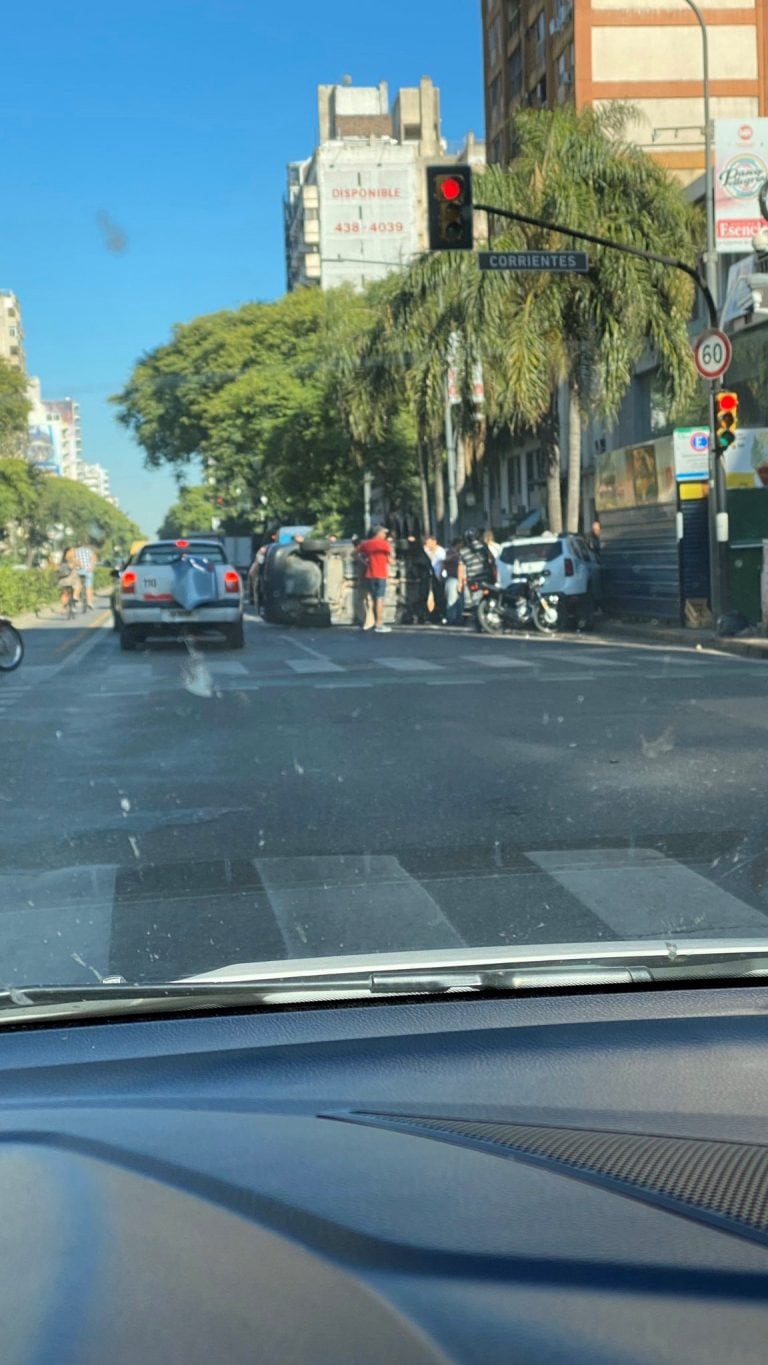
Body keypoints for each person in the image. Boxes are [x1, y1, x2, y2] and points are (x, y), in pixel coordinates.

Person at [355, 526, 392, 633]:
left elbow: (354, 554)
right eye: (384, 533)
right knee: (380, 598)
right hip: (381, 574)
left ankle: (373, 621)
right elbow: (390, 559)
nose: (385, 535)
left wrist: (364, 562)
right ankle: (379, 623)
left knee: (373, 598)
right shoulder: (384, 544)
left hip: (370, 574)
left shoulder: (366, 544)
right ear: (378, 533)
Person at [459, 528, 496, 593]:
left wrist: (460, 583)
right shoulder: (484, 547)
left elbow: (461, 568)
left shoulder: (463, 551)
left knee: (471, 601)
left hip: (472, 580)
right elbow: (492, 561)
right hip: (486, 579)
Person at [442, 538, 467, 626]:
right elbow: (445, 561)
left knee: (460, 600)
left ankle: (459, 618)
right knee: (452, 599)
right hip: (452, 578)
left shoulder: (462, 553)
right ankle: (451, 618)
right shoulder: (450, 552)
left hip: (460, 578)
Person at [422, 533, 446, 622]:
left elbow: (443, 564)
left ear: (434, 542)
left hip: (438, 575)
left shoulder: (440, 551)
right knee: (427, 595)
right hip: (428, 576)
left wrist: (440, 575)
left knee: (439, 596)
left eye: (428, 542)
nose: (427, 545)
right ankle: (429, 614)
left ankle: (440, 614)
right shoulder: (426, 551)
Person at [57, 547, 81, 614]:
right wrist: (76, 563)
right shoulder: (73, 559)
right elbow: (76, 566)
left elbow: (58, 569)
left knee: (64, 593)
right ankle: (75, 597)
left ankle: (63, 608)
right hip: (71, 579)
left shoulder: (62, 560)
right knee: (78, 585)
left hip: (62, 580)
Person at [74, 541, 97, 610]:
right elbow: (93, 558)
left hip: (78, 570)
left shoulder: (75, 552)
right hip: (88, 570)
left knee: (78, 584)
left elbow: (74, 561)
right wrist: (92, 567)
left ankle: (76, 597)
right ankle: (90, 602)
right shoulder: (88, 550)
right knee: (89, 587)